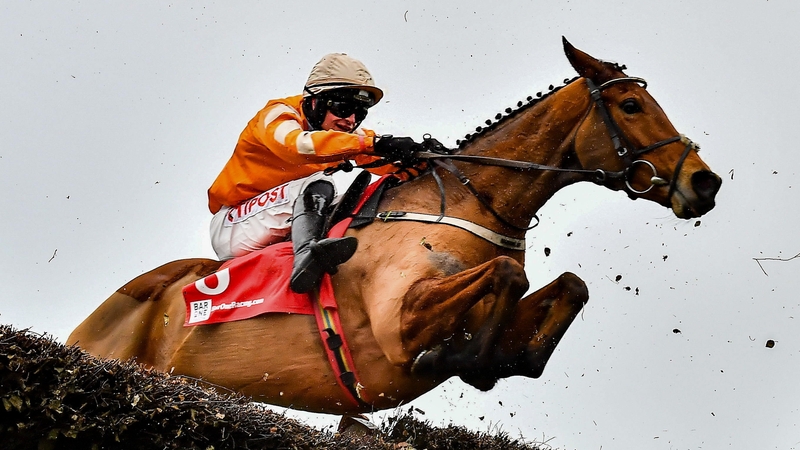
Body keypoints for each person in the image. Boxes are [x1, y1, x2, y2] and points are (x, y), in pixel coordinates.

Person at [208, 53, 421, 294]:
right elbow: (300, 145)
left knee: (367, 200)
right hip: (234, 225)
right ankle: (308, 259)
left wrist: (425, 159)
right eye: (343, 108)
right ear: (313, 102)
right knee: (319, 183)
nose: (350, 120)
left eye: (359, 114)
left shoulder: (339, 135)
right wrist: (374, 144)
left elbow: (384, 160)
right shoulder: (277, 115)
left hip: (280, 217)